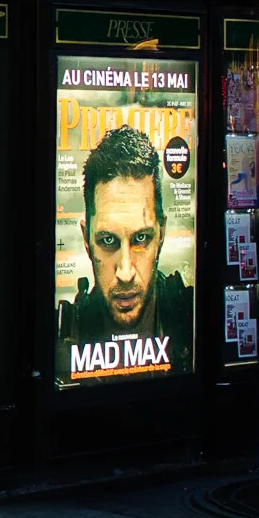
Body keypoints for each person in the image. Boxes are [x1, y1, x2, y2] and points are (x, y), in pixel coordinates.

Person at [60, 125, 192, 373]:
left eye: (141, 239)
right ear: (87, 240)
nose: (125, 272)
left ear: (161, 233)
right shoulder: (64, 338)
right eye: (108, 241)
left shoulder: (191, 320)